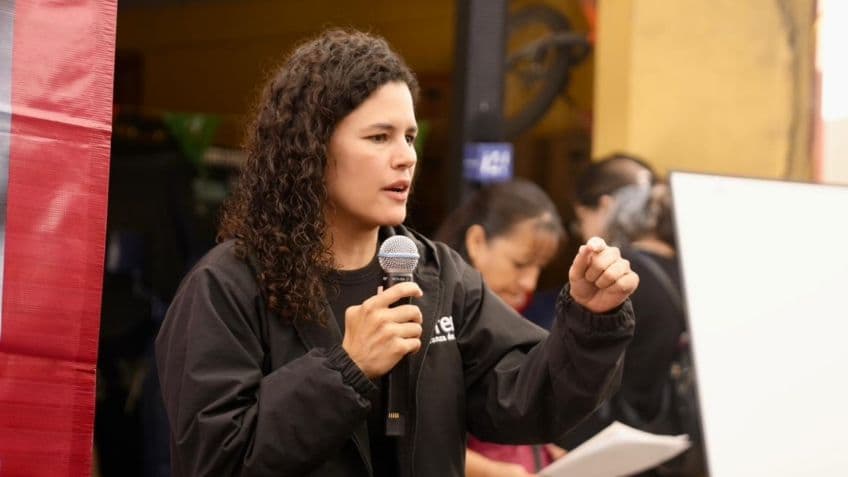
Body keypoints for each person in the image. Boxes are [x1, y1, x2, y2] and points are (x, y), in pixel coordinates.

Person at [155, 29, 639, 477]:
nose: (406, 155)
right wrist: (346, 369)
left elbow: (526, 402)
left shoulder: (439, 276)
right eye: (379, 137)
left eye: (409, 136)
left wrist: (591, 321)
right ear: (311, 148)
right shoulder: (228, 285)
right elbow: (213, 458)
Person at [565, 153, 701, 475]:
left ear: (607, 207)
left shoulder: (618, 274)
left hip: (614, 451)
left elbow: (571, 367)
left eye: (581, 218)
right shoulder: (691, 269)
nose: (582, 232)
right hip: (675, 448)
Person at [434, 179, 569, 477]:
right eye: (520, 264)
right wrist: (492, 471)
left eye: (539, 268)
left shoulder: (511, 314)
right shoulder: (435, 321)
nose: (530, 283)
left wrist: (544, 449)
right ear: (477, 242)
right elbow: (420, 441)